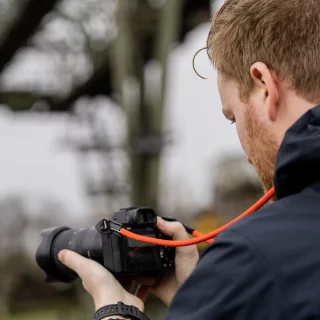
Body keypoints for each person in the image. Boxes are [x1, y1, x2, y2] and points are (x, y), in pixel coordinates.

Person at [58, 0, 320, 319]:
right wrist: (205, 300)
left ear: (265, 86)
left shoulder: (255, 258)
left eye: (232, 117)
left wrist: (116, 313)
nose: (247, 156)